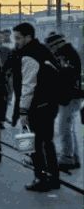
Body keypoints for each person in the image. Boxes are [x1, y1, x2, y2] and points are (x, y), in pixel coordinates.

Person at [14, 23, 60, 192]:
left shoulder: (29, 56)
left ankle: (40, 178)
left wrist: (23, 110)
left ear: (28, 37)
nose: (16, 41)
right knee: (47, 142)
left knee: (35, 144)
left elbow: (28, 85)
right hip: (50, 103)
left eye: (18, 38)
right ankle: (54, 178)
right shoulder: (42, 49)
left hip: (38, 105)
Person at [45, 34, 82, 171]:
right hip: (71, 96)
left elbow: (66, 77)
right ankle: (74, 157)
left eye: (52, 47)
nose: (51, 50)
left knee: (64, 128)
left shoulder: (67, 55)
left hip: (70, 97)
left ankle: (67, 158)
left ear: (57, 44)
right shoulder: (68, 53)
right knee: (69, 128)